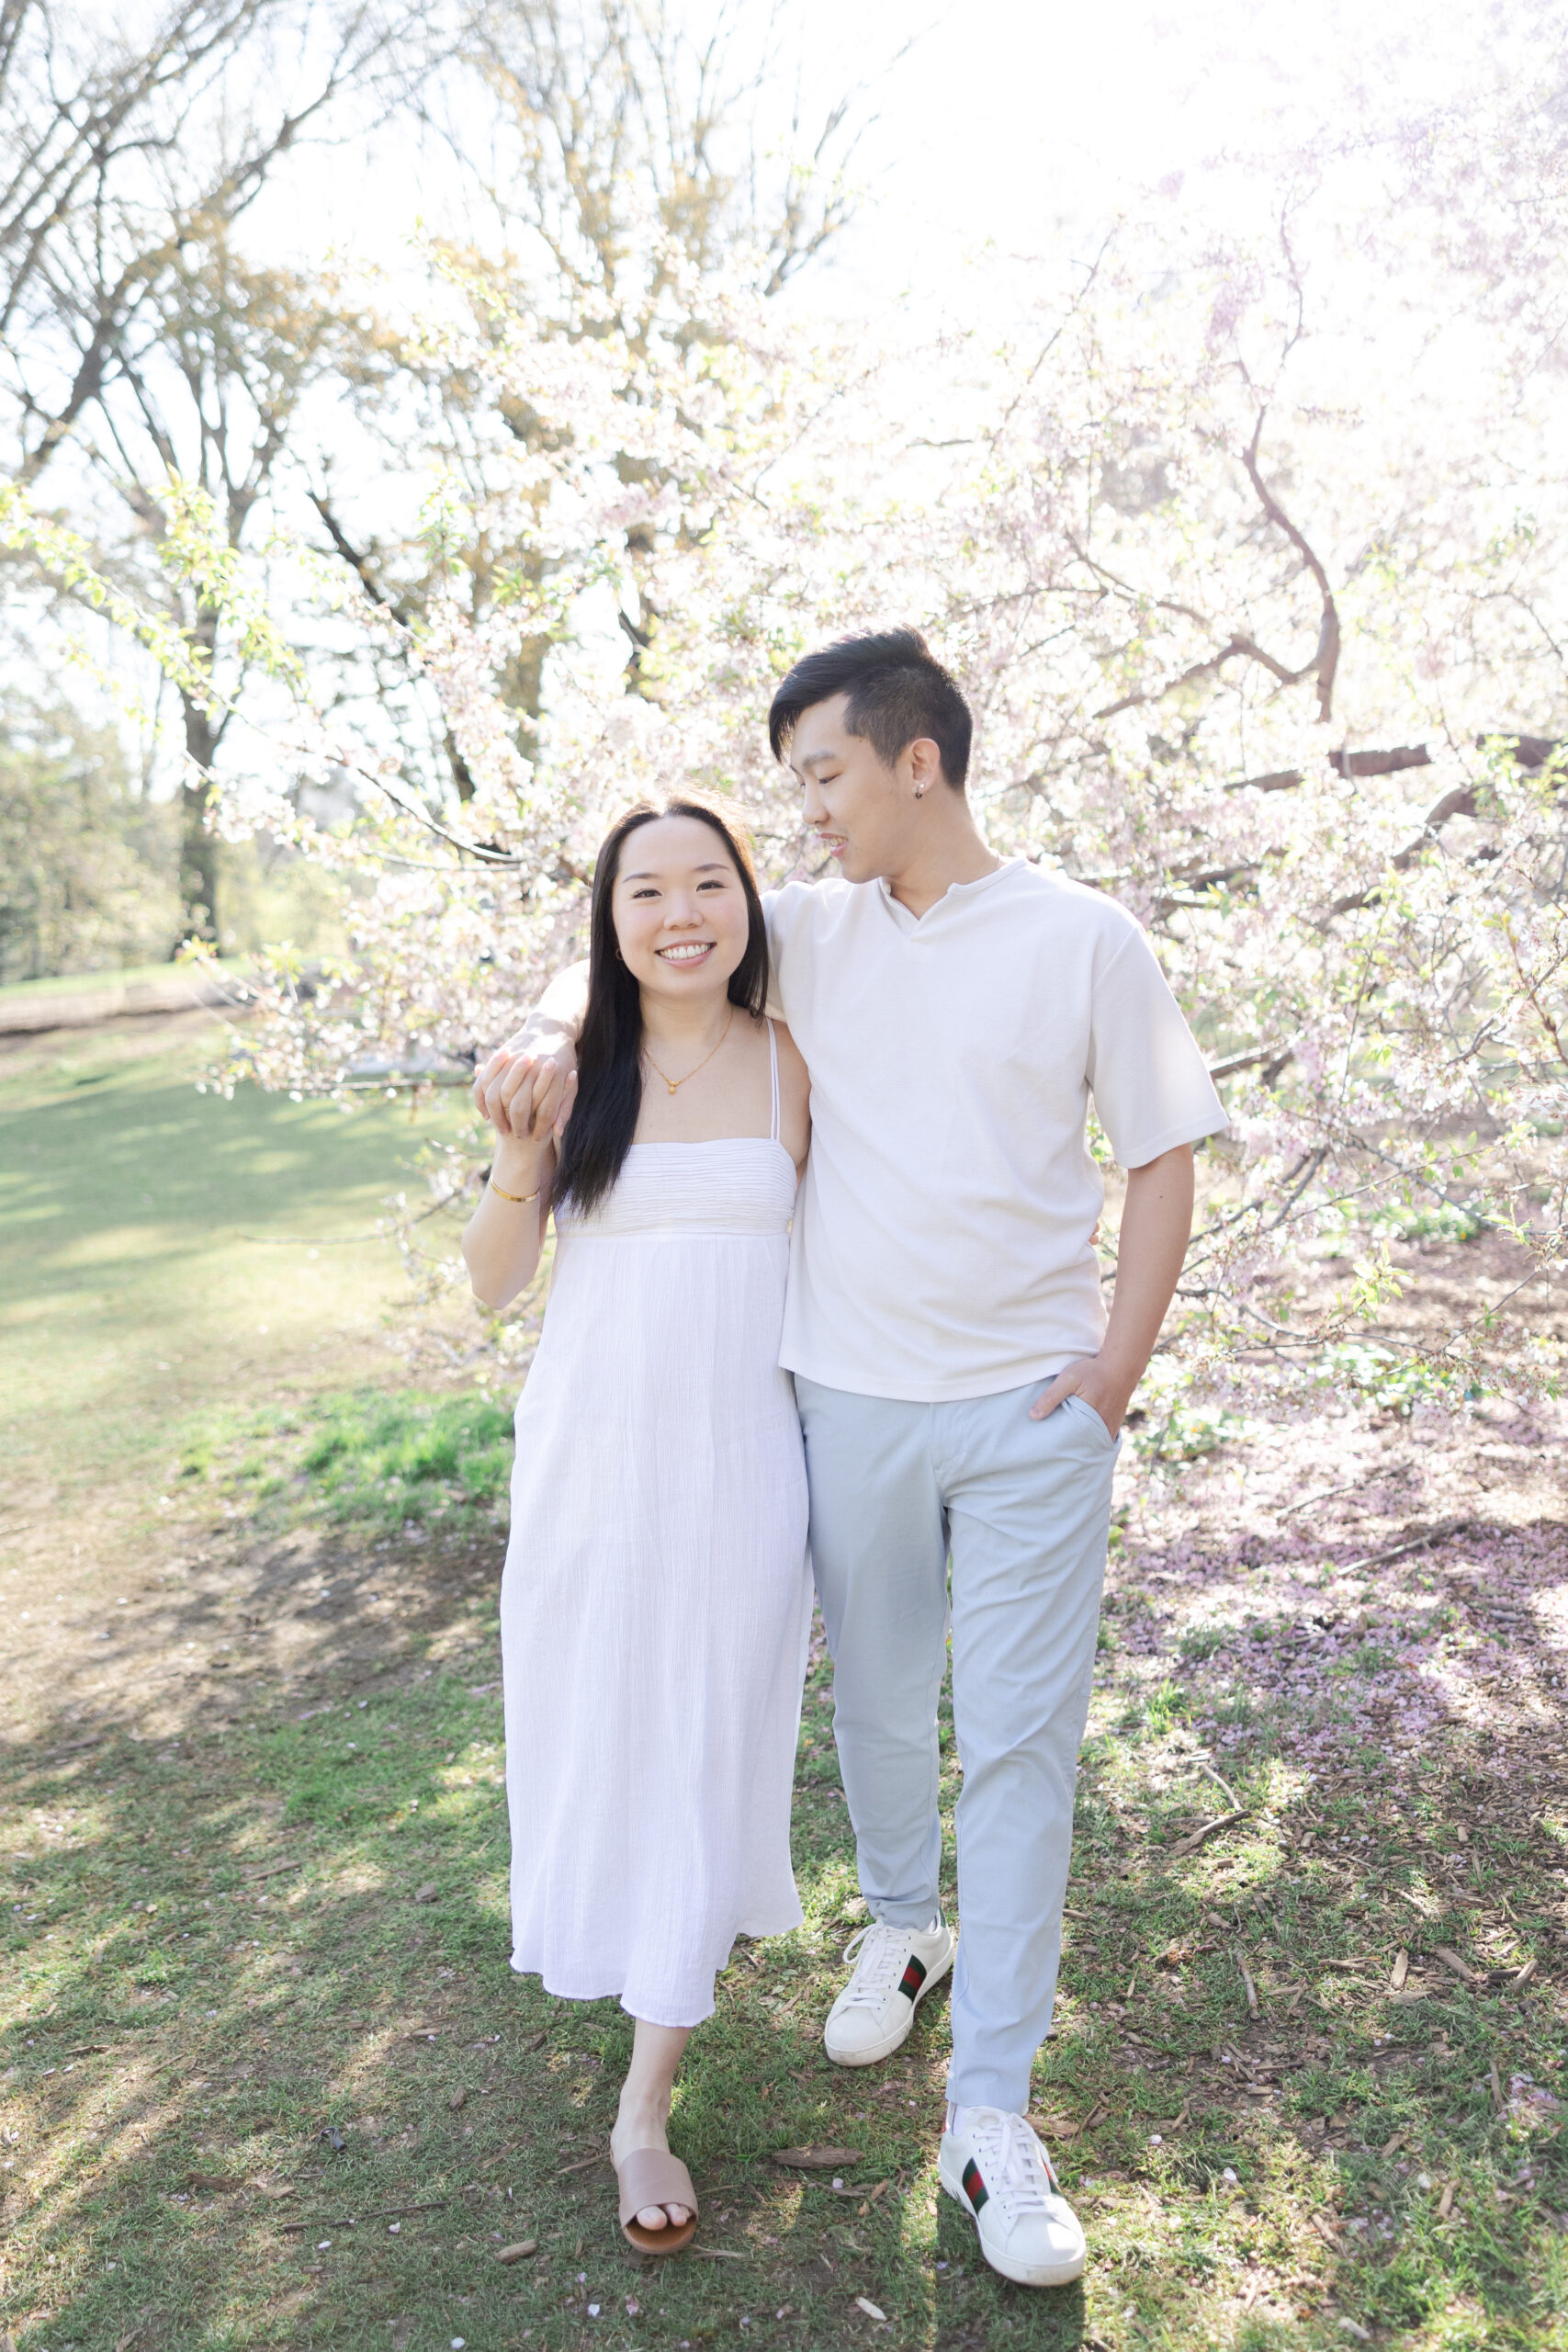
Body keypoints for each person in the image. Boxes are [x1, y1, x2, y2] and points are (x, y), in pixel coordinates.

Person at [482, 628, 1226, 2291]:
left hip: (1034, 1415)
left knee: (1019, 1746)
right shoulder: (805, 932)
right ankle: (903, 1925)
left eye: (823, 775)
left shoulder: (1084, 939)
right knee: (878, 1707)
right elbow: (637, 950)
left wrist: (1114, 1372)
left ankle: (991, 2114)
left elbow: (1166, 1152)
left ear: (917, 762)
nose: (805, 811)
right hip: (848, 1402)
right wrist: (540, 1022)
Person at [462, 795, 812, 2259]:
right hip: (592, 1461)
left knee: (711, 1746)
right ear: (608, 923)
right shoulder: (575, 1071)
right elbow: (493, 1283)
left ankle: (643, 2107)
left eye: (709, 884)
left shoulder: (795, 1057)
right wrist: (516, 1151)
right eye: (646, 892)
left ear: (748, 899)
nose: (682, 915)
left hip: (747, 1466)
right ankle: (617, 1944)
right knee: (603, 1732)